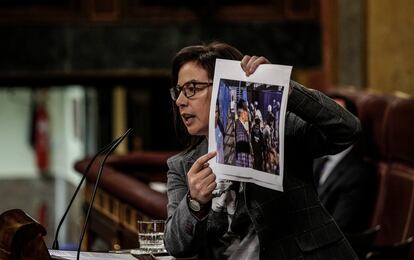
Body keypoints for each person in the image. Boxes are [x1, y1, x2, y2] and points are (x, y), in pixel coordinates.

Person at [165, 42, 360, 259]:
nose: (181, 101)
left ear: (224, 86)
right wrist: (194, 202)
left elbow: (348, 130)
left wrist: (286, 88)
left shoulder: (277, 129)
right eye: (179, 91)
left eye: (192, 88)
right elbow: (176, 246)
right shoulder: (182, 165)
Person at [314, 94, 377, 233]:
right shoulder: (316, 158)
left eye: (333, 117)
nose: (325, 123)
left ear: (350, 125)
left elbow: (338, 228)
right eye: (323, 116)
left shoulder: (359, 173)